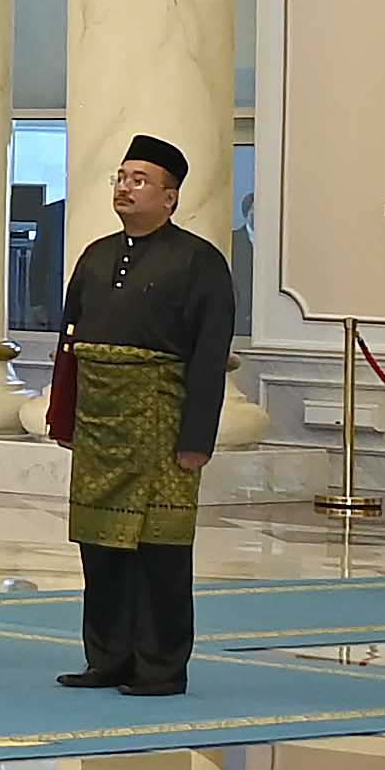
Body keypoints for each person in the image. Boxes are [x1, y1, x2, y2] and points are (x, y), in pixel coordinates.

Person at [54, 135, 234, 696]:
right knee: (100, 547)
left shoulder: (200, 261)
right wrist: (65, 416)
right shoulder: (95, 255)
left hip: (161, 422)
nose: (125, 188)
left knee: (159, 552)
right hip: (99, 425)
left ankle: (160, 667)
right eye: (121, 177)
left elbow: (209, 354)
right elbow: (69, 343)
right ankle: (107, 658)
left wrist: (196, 436)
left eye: (139, 180)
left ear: (170, 197)